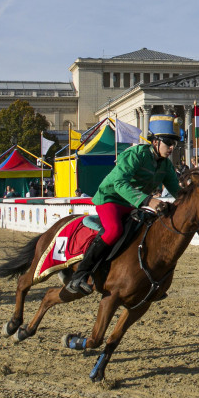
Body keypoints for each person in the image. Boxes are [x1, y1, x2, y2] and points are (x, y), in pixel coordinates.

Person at [65, 114, 182, 295]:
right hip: (110, 199)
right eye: (169, 142)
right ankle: (79, 275)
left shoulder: (166, 165)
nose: (172, 147)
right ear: (155, 142)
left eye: (174, 143)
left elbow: (178, 192)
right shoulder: (136, 155)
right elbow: (119, 184)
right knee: (114, 231)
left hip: (133, 204)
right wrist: (148, 200)